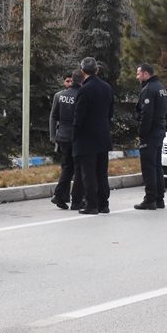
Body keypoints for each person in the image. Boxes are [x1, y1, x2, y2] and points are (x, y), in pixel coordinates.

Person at [72, 56, 114, 215]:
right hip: (103, 136)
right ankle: (104, 204)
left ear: (83, 71)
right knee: (102, 172)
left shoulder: (84, 90)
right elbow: (110, 113)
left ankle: (91, 204)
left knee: (88, 173)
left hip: (86, 138)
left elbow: (79, 117)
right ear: (96, 69)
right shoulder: (107, 88)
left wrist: (75, 136)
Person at [133, 63, 167, 210]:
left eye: (138, 74)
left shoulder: (148, 89)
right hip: (159, 131)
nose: (137, 77)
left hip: (150, 133)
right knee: (156, 166)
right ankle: (159, 198)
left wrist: (142, 133)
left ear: (146, 74)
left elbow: (146, 114)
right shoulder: (161, 87)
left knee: (149, 167)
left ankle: (150, 199)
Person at [48, 70, 84, 210]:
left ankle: (59, 196)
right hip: (76, 137)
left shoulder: (61, 96)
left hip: (63, 136)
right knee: (79, 169)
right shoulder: (81, 95)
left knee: (67, 168)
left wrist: (53, 136)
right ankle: (77, 199)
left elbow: (53, 116)